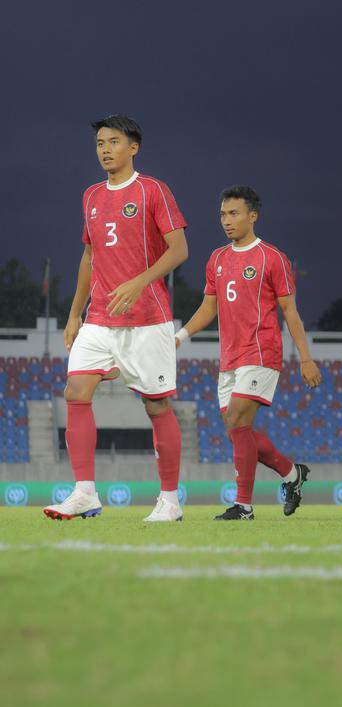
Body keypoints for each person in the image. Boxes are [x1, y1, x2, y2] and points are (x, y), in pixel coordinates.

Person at [44, 115, 189, 523]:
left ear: (134, 147)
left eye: (113, 141)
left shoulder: (153, 191)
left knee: (157, 408)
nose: (105, 149)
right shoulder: (90, 195)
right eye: (99, 143)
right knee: (76, 391)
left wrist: (139, 283)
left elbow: (179, 250)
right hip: (99, 319)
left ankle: (170, 501)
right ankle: (85, 493)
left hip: (147, 319)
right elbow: (89, 258)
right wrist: (74, 314)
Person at [176, 186, 320, 520]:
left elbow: (291, 313)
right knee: (238, 433)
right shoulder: (217, 259)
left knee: (239, 420)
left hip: (262, 351)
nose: (227, 221)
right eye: (223, 214)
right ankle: (291, 474)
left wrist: (306, 358)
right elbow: (207, 308)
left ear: (252, 216)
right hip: (229, 358)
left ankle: (243, 506)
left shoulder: (273, 258)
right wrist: (180, 335)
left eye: (234, 213)